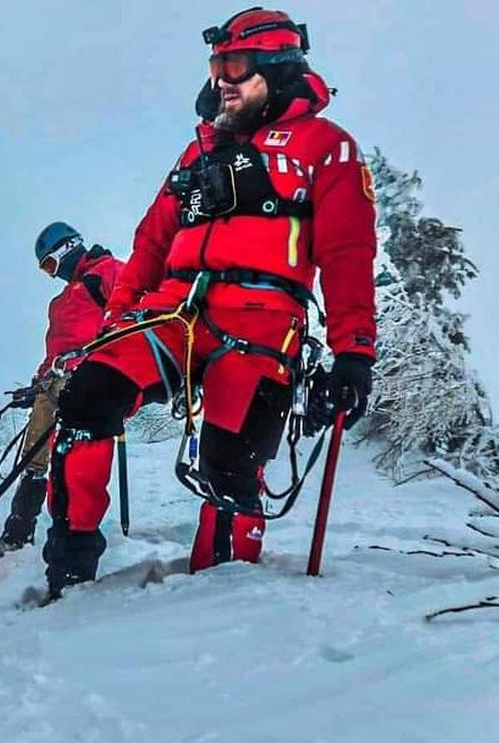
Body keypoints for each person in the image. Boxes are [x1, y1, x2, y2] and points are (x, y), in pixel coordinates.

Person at [39, 8, 377, 600]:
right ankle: (68, 570)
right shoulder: (196, 154)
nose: (221, 78)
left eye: (235, 65)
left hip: (263, 324)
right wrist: (117, 320)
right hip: (172, 313)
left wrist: (354, 353)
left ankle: (216, 609)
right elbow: (150, 243)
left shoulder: (327, 147)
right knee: (87, 397)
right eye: (216, 64)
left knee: (230, 468)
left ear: (278, 68)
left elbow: (349, 252)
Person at [0, 222, 124, 562]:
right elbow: (55, 350)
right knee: (34, 455)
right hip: (55, 380)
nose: (50, 275)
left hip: (89, 378)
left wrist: (108, 356)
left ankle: (71, 535)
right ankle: (17, 533)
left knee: (71, 456)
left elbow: (131, 312)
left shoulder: (109, 272)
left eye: (50, 265)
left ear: (67, 249)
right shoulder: (61, 301)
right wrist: (37, 382)